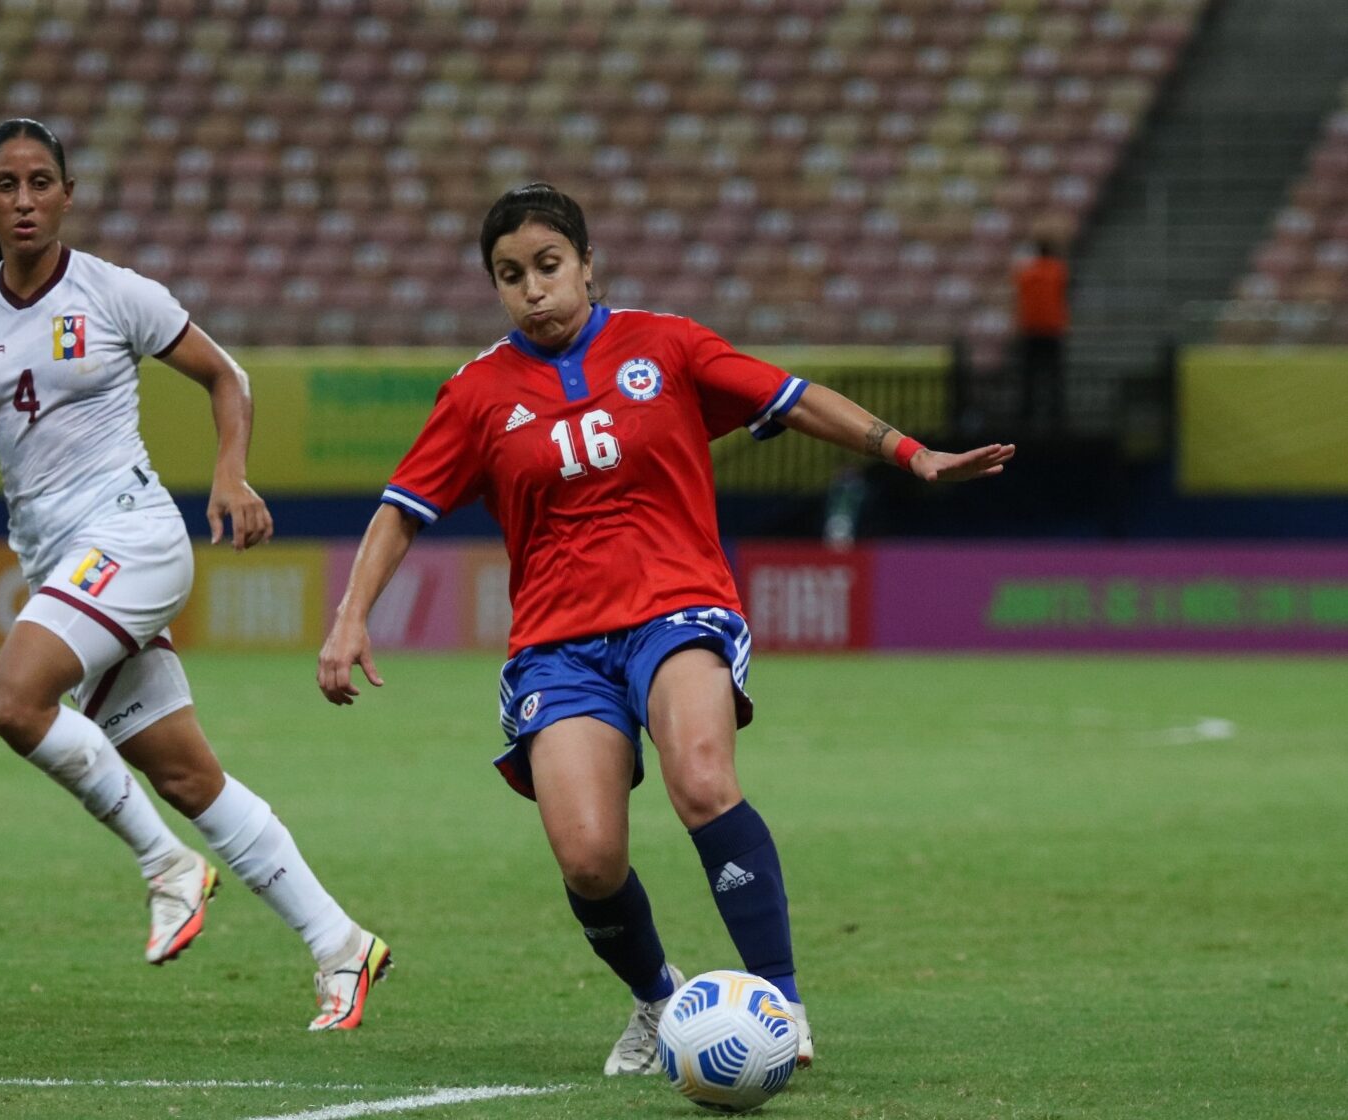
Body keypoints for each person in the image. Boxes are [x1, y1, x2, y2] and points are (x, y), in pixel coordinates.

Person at [318, 183, 1014, 1074]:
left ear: (585, 265)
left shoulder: (666, 345)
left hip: (676, 607)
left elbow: (792, 397)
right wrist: (349, 620)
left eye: (546, 266)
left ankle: (781, 1003)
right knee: (588, 861)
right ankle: (656, 999)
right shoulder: (477, 393)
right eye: (508, 275)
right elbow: (401, 509)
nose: (531, 289)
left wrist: (912, 455)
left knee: (701, 779)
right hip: (556, 646)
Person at [0, 119, 388, 1030]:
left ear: (67, 194)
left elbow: (226, 376)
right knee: (187, 778)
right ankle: (342, 946)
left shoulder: (114, 293)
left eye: (40, 182)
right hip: (63, 563)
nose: (24, 199)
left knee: (13, 701)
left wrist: (228, 473)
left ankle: (165, 866)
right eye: (6, 184)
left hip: (132, 539)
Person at [1013, 238, 1069, 432]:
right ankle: (1056, 413)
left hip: (1031, 329)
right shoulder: (1057, 270)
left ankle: (1027, 413)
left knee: (1030, 375)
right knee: (1053, 375)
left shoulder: (1026, 273)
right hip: (1052, 330)